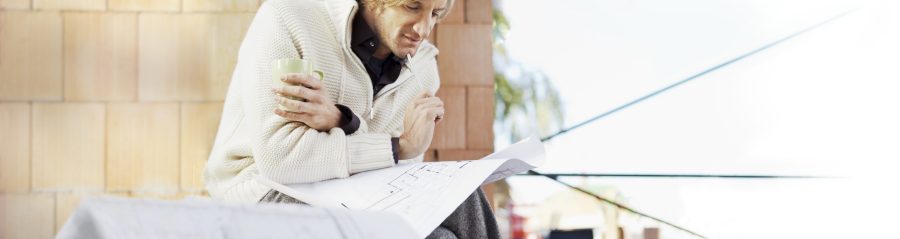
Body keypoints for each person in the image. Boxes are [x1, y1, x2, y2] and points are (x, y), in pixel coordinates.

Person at [203, 0, 499, 238]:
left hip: (358, 195)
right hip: (265, 192)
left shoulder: (423, 68)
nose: (423, 29)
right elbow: (282, 158)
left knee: (463, 204)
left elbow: (400, 172)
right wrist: (397, 146)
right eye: (412, 7)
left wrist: (343, 121)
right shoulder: (288, 17)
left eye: (435, 13)